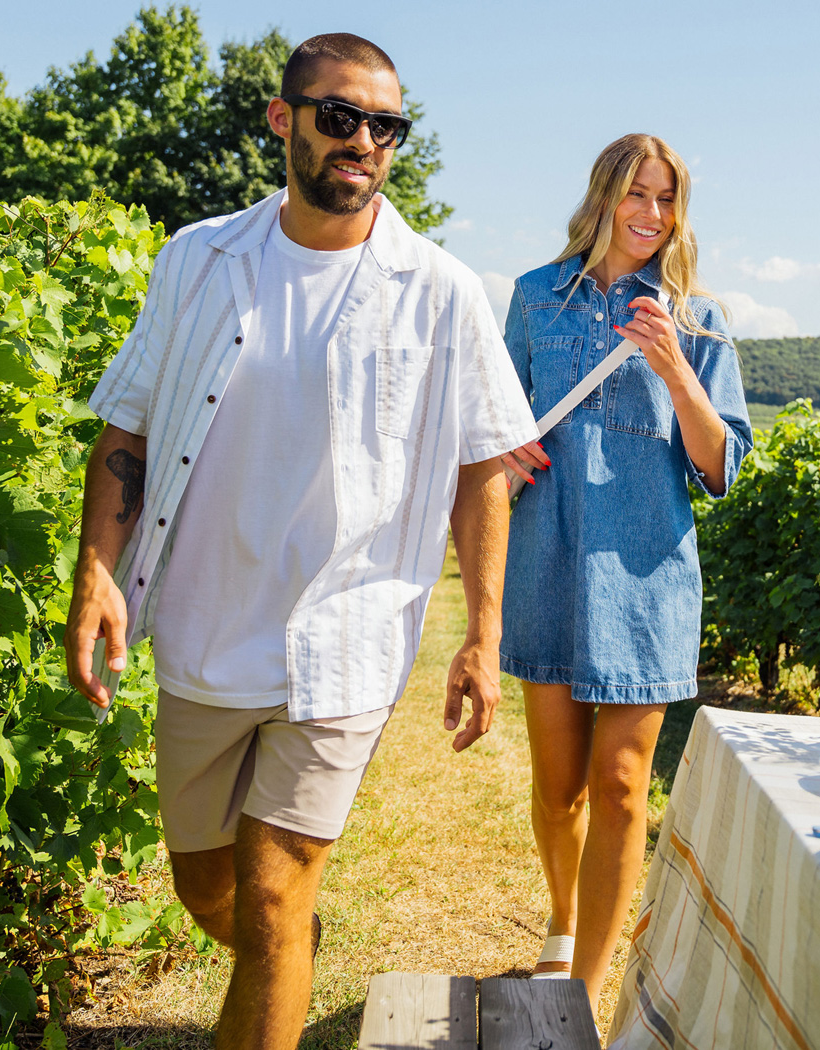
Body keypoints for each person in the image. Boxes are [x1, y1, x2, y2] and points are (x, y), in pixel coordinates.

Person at [64, 32, 538, 1050]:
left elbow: (483, 465)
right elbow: (128, 429)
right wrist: (96, 573)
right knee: (210, 890)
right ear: (284, 120)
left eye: (386, 126)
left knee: (275, 896)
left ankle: (283, 952)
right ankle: (285, 958)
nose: (363, 140)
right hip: (204, 633)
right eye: (339, 116)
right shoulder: (199, 260)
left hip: (345, 640)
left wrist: (482, 633)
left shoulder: (439, 289)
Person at [499, 133, 752, 1021]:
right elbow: (496, 426)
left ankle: (583, 988)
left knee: (619, 785)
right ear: (603, 197)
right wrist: (504, 452)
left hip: (646, 575)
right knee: (558, 785)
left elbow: (721, 467)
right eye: (636, 193)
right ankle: (564, 918)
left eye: (666, 198)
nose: (651, 213)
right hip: (547, 559)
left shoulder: (700, 320)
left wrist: (677, 370)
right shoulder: (535, 297)